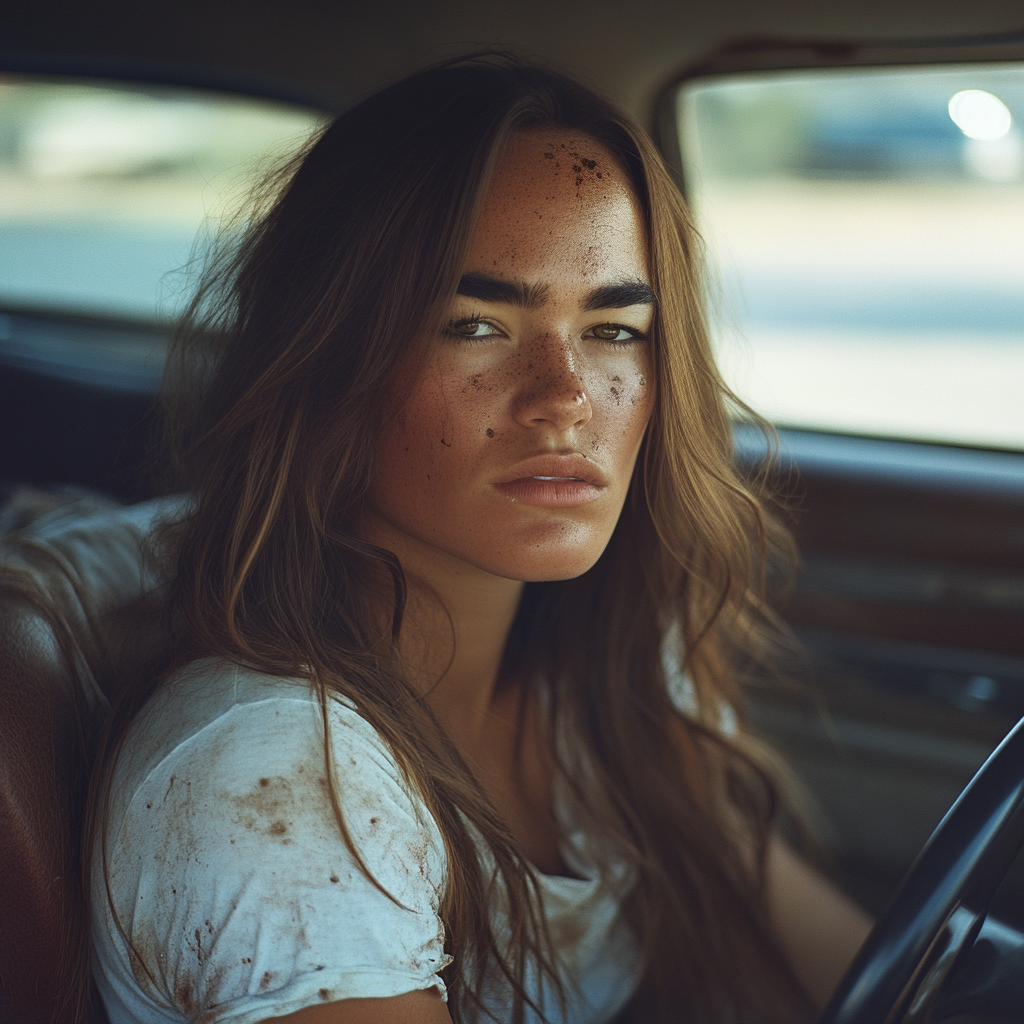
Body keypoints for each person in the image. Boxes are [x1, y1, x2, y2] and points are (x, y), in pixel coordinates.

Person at [87, 52, 872, 1024]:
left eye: (615, 329)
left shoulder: (600, 673)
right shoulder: (278, 782)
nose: (566, 400)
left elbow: (853, 976)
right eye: (475, 324)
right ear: (333, 362)